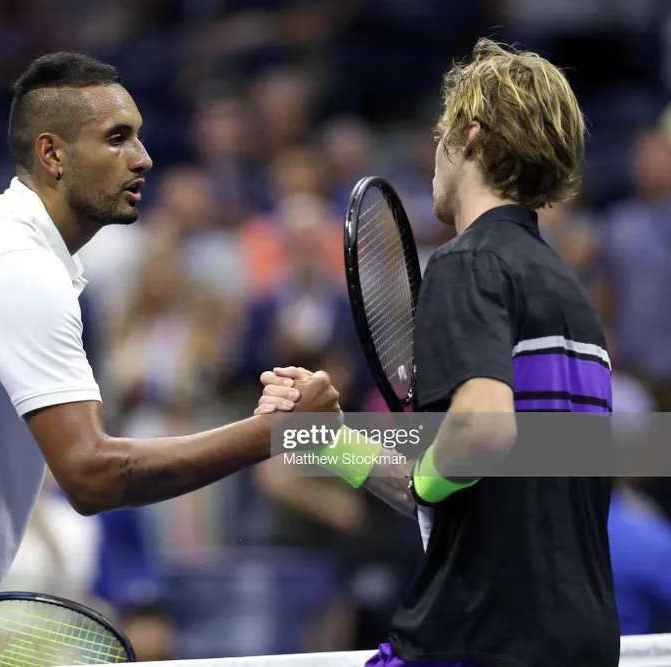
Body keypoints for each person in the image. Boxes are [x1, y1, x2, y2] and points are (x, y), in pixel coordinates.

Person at [0, 52, 343, 667]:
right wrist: (274, 434)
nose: (144, 157)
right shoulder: (17, 269)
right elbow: (94, 474)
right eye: (117, 138)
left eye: (139, 135)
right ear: (53, 155)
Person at [260, 38, 618, 667]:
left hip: (476, 638)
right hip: (578, 642)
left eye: (441, 136)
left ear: (471, 138)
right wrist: (325, 441)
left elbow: (479, 433)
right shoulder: (571, 294)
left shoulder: (467, 263)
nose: (434, 156)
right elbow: (469, 479)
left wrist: (427, 481)